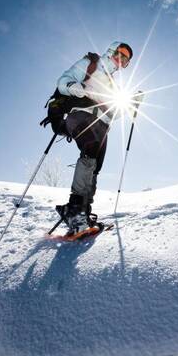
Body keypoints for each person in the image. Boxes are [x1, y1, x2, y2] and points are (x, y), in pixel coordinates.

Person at [42, 41, 134, 235]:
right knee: (90, 150)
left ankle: (83, 210)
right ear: (111, 51)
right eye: (119, 55)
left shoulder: (112, 84)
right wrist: (78, 88)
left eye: (125, 61)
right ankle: (74, 209)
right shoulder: (90, 64)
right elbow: (63, 81)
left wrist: (130, 105)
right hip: (81, 114)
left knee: (95, 166)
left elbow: (115, 112)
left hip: (102, 125)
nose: (120, 62)